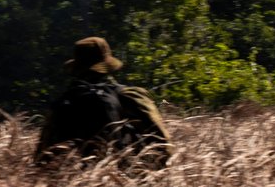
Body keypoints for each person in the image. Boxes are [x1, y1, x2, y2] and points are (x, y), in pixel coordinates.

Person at [34, 36, 172, 168]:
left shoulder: (64, 101)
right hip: (121, 180)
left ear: (77, 67)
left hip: (67, 182)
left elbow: (41, 156)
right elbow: (162, 140)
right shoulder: (130, 95)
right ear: (109, 66)